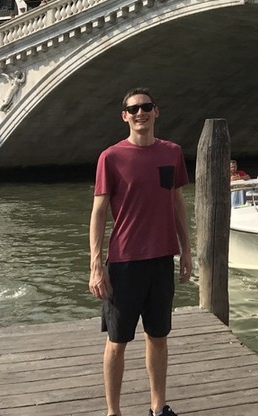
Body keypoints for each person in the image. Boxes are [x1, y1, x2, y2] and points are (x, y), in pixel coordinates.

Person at [89, 88, 192, 416]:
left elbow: (177, 203)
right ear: (125, 116)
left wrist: (187, 250)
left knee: (158, 336)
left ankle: (158, 408)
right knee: (117, 342)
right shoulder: (111, 157)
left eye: (146, 107)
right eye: (133, 109)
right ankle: (113, 412)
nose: (140, 113)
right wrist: (95, 264)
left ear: (156, 112)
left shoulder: (172, 153)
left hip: (162, 259)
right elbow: (98, 212)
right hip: (124, 262)